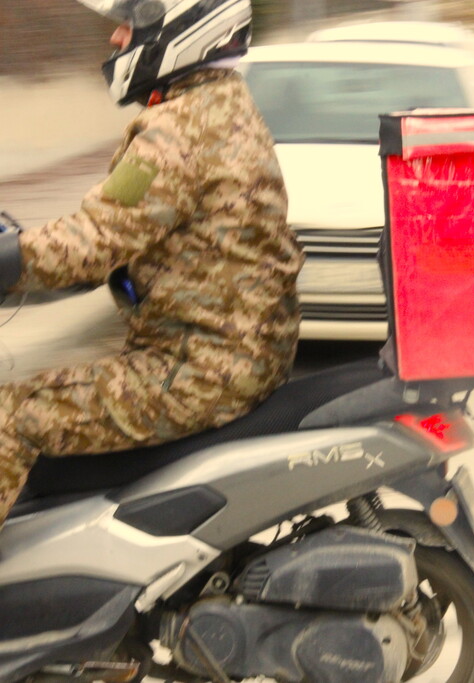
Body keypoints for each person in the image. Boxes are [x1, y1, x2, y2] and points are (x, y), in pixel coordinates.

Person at [0, 0, 303, 528]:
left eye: (130, 25)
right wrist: (24, 256)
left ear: (182, 31)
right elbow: (120, 237)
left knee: (12, 414)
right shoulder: (222, 103)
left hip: (199, 369)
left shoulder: (178, 128)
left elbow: (96, 240)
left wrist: (12, 257)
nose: (117, 38)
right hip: (233, 356)